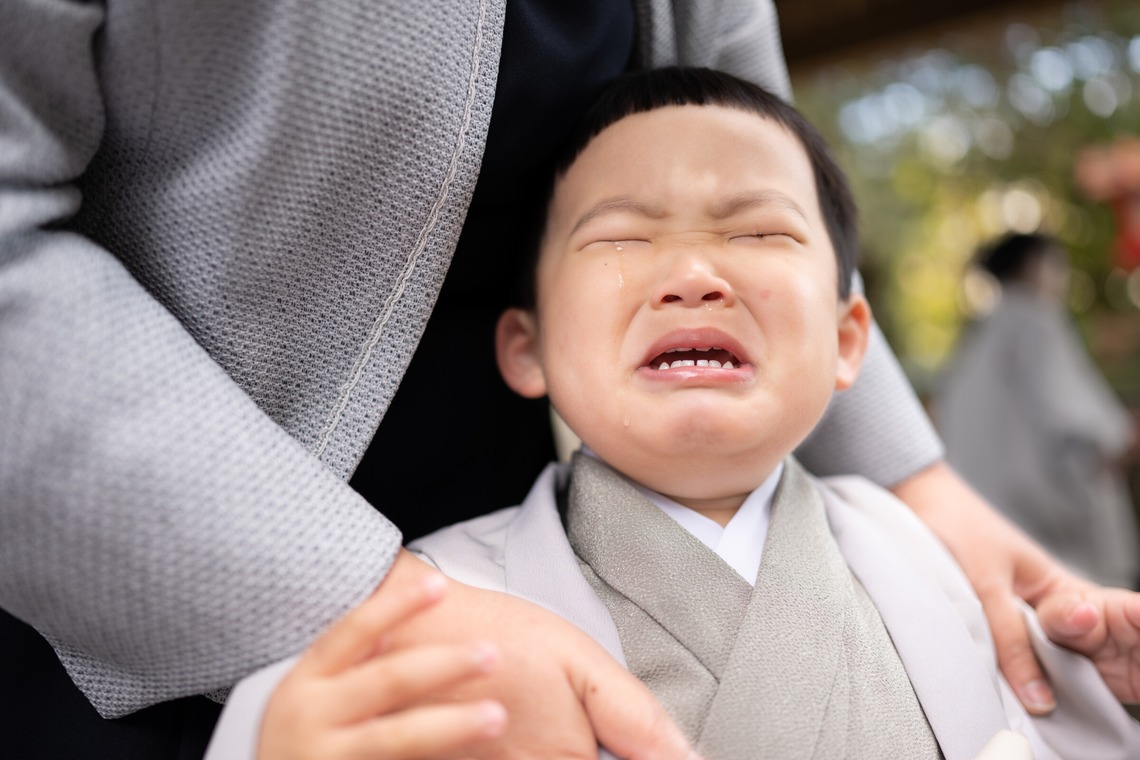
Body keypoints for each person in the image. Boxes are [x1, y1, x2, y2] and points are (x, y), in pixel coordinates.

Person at [2, 1, 1139, 757]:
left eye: (750, 235)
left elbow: (742, 102)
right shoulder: (454, 602)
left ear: (853, 336)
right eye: (623, 237)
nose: (693, 272)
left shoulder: (915, 569)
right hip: (161, 539)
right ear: (525, 341)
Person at [935, 233, 1140, 588]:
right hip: (1055, 532)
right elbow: (1077, 421)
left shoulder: (978, 334)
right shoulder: (1036, 323)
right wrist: (1121, 437)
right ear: (1035, 265)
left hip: (989, 523)